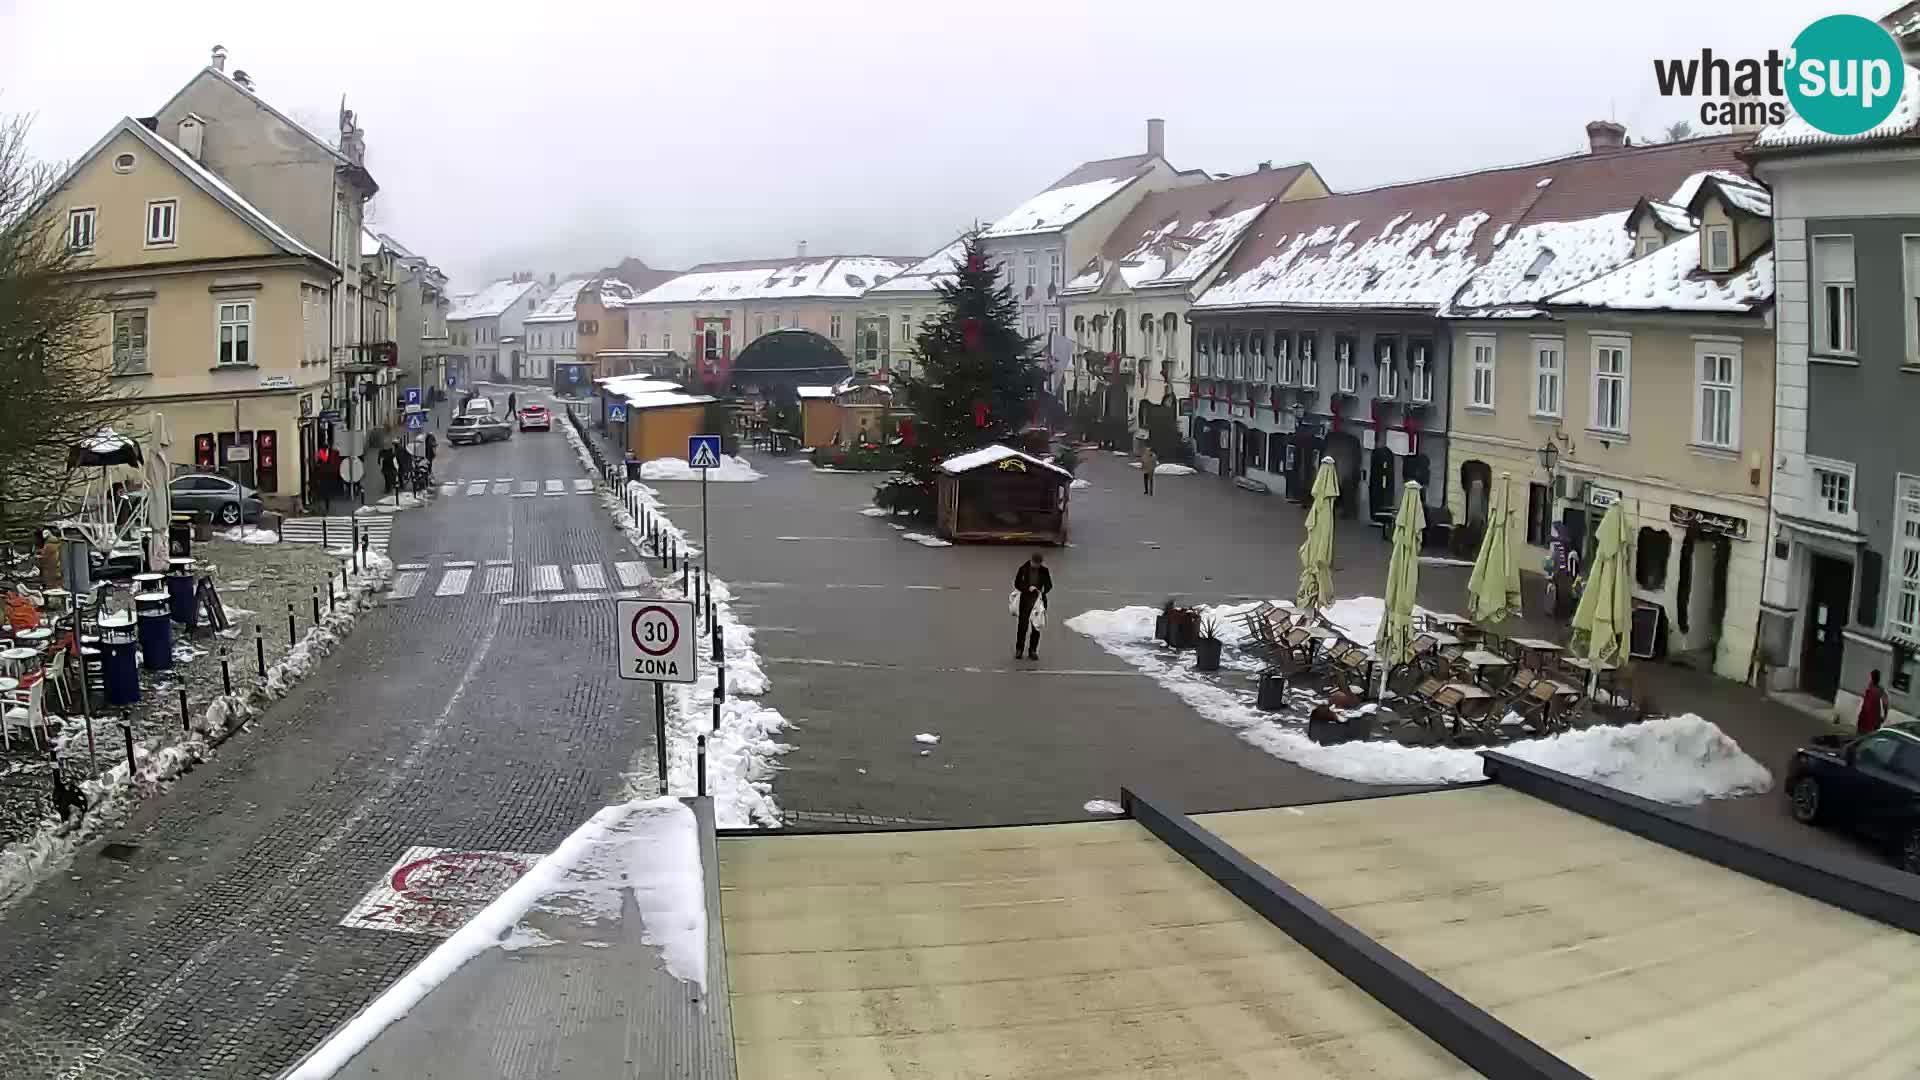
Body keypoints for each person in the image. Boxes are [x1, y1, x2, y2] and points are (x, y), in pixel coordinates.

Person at [1012, 552, 1053, 661]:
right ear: (1031, 561)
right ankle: (1019, 649)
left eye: (1038, 564)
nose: (1036, 566)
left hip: (1038, 603)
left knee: (1036, 627)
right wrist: (1027, 588)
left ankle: (1032, 651)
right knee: (1022, 627)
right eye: (1035, 564)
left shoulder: (1044, 571)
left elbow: (1049, 585)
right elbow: (1017, 583)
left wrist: (1042, 590)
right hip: (1025, 602)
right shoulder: (1023, 569)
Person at [1859, 669, 1890, 736]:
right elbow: (1886, 704)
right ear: (1878, 678)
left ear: (1872, 678)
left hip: (1868, 719)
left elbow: (1866, 705)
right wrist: (1885, 715)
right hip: (1872, 720)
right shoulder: (1879, 690)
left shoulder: (1871, 689)